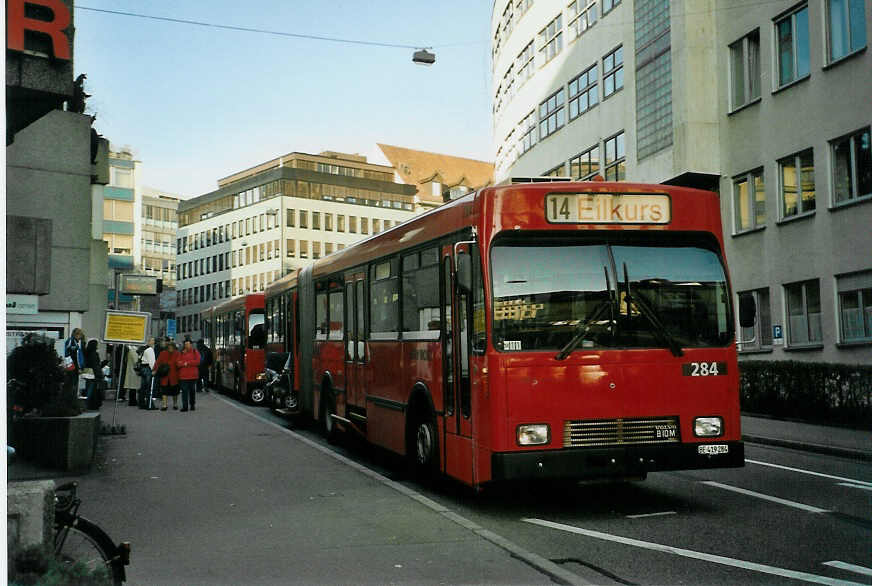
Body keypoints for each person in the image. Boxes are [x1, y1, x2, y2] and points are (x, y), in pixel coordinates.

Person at [152, 341, 180, 411]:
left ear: (174, 347)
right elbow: (158, 362)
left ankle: (175, 404)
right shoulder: (163, 353)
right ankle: (164, 405)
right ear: (167, 348)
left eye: (171, 347)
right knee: (164, 391)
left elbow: (179, 363)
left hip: (174, 376)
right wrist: (154, 369)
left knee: (175, 392)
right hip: (165, 375)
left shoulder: (177, 353)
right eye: (169, 347)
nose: (170, 348)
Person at [177, 338, 201, 412]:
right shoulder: (181, 353)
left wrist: (186, 363)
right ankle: (185, 407)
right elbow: (178, 363)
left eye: (188, 344)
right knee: (184, 391)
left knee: (192, 391)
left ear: (191, 344)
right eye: (185, 344)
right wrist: (185, 363)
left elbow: (197, 362)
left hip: (193, 376)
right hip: (183, 376)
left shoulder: (195, 352)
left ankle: (192, 405)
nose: (187, 345)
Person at [83, 339, 102, 410]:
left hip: (87, 372)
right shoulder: (94, 354)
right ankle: (91, 404)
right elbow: (95, 365)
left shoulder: (87, 352)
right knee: (93, 389)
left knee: (88, 388)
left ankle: (88, 404)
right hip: (93, 373)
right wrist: (99, 374)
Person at [139, 338, 156, 409]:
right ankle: (149, 404)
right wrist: (154, 370)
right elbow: (152, 361)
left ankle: (141, 403)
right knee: (149, 387)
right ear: (149, 341)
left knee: (143, 387)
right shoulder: (150, 350)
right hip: (147, 369)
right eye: (152, 340)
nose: (154, 342)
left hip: (143, 368)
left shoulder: (143, 349)